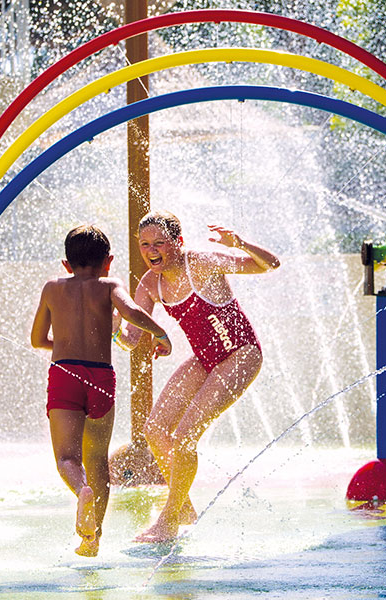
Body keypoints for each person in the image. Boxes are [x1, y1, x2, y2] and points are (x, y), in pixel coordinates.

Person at [117, 211, 280, 543]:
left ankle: (169, 520)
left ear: (178, 242)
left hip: (241, 352)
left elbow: (270, 265)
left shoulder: (202, 262)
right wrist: (110, 324)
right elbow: (131, 339)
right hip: (206, 360)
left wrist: (241, 243)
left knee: (184, 436)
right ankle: (185, 507)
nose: (151, 251)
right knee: (155, 430)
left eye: (159, 243)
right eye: (145, 244)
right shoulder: (150, 283)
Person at [30, 224, 173, 557]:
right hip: (100, 379)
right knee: (97, 462)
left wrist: (64, 346)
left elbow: (37, 340)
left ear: (66, 264)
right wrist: (161, 334)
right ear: (108, 261)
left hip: (64, 373)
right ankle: (95, 537)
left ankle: (81, 493)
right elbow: (132, 312)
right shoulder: (110, 285)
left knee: (68, 458)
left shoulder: (53, 288)